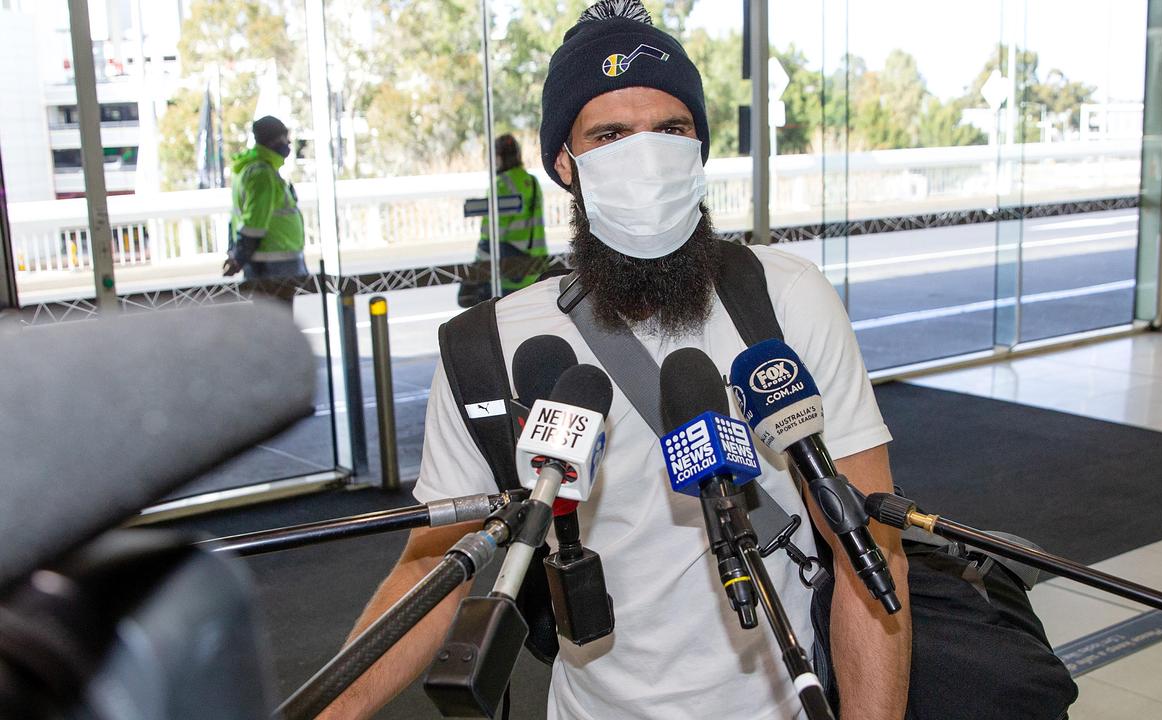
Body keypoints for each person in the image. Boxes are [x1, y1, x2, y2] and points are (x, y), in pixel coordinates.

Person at [319, 2, 910, 719]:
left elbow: (869, 551)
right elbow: (431, 569)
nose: (646, 154)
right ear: (566, 163)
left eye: (671, 128)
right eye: (610, 134)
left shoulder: (785, 300)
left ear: (699, 149)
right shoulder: (490, 347)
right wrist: (330, 709)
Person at [222, 115, 307, 280]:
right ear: (273, 140)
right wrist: (239, 258)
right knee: (275, 307)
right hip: (272, 265)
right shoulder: (262, 175)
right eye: (285, 138)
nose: (288, 143)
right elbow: (254, 223)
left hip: (270, 262)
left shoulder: (254, 169)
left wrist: (237, 256)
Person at [472, 134, 548, 300]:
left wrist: (479, 266)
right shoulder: (532, 182)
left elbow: (490, 232)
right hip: (535, 268)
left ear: (499, 157)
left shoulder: (501, 184)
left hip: (510, 273)